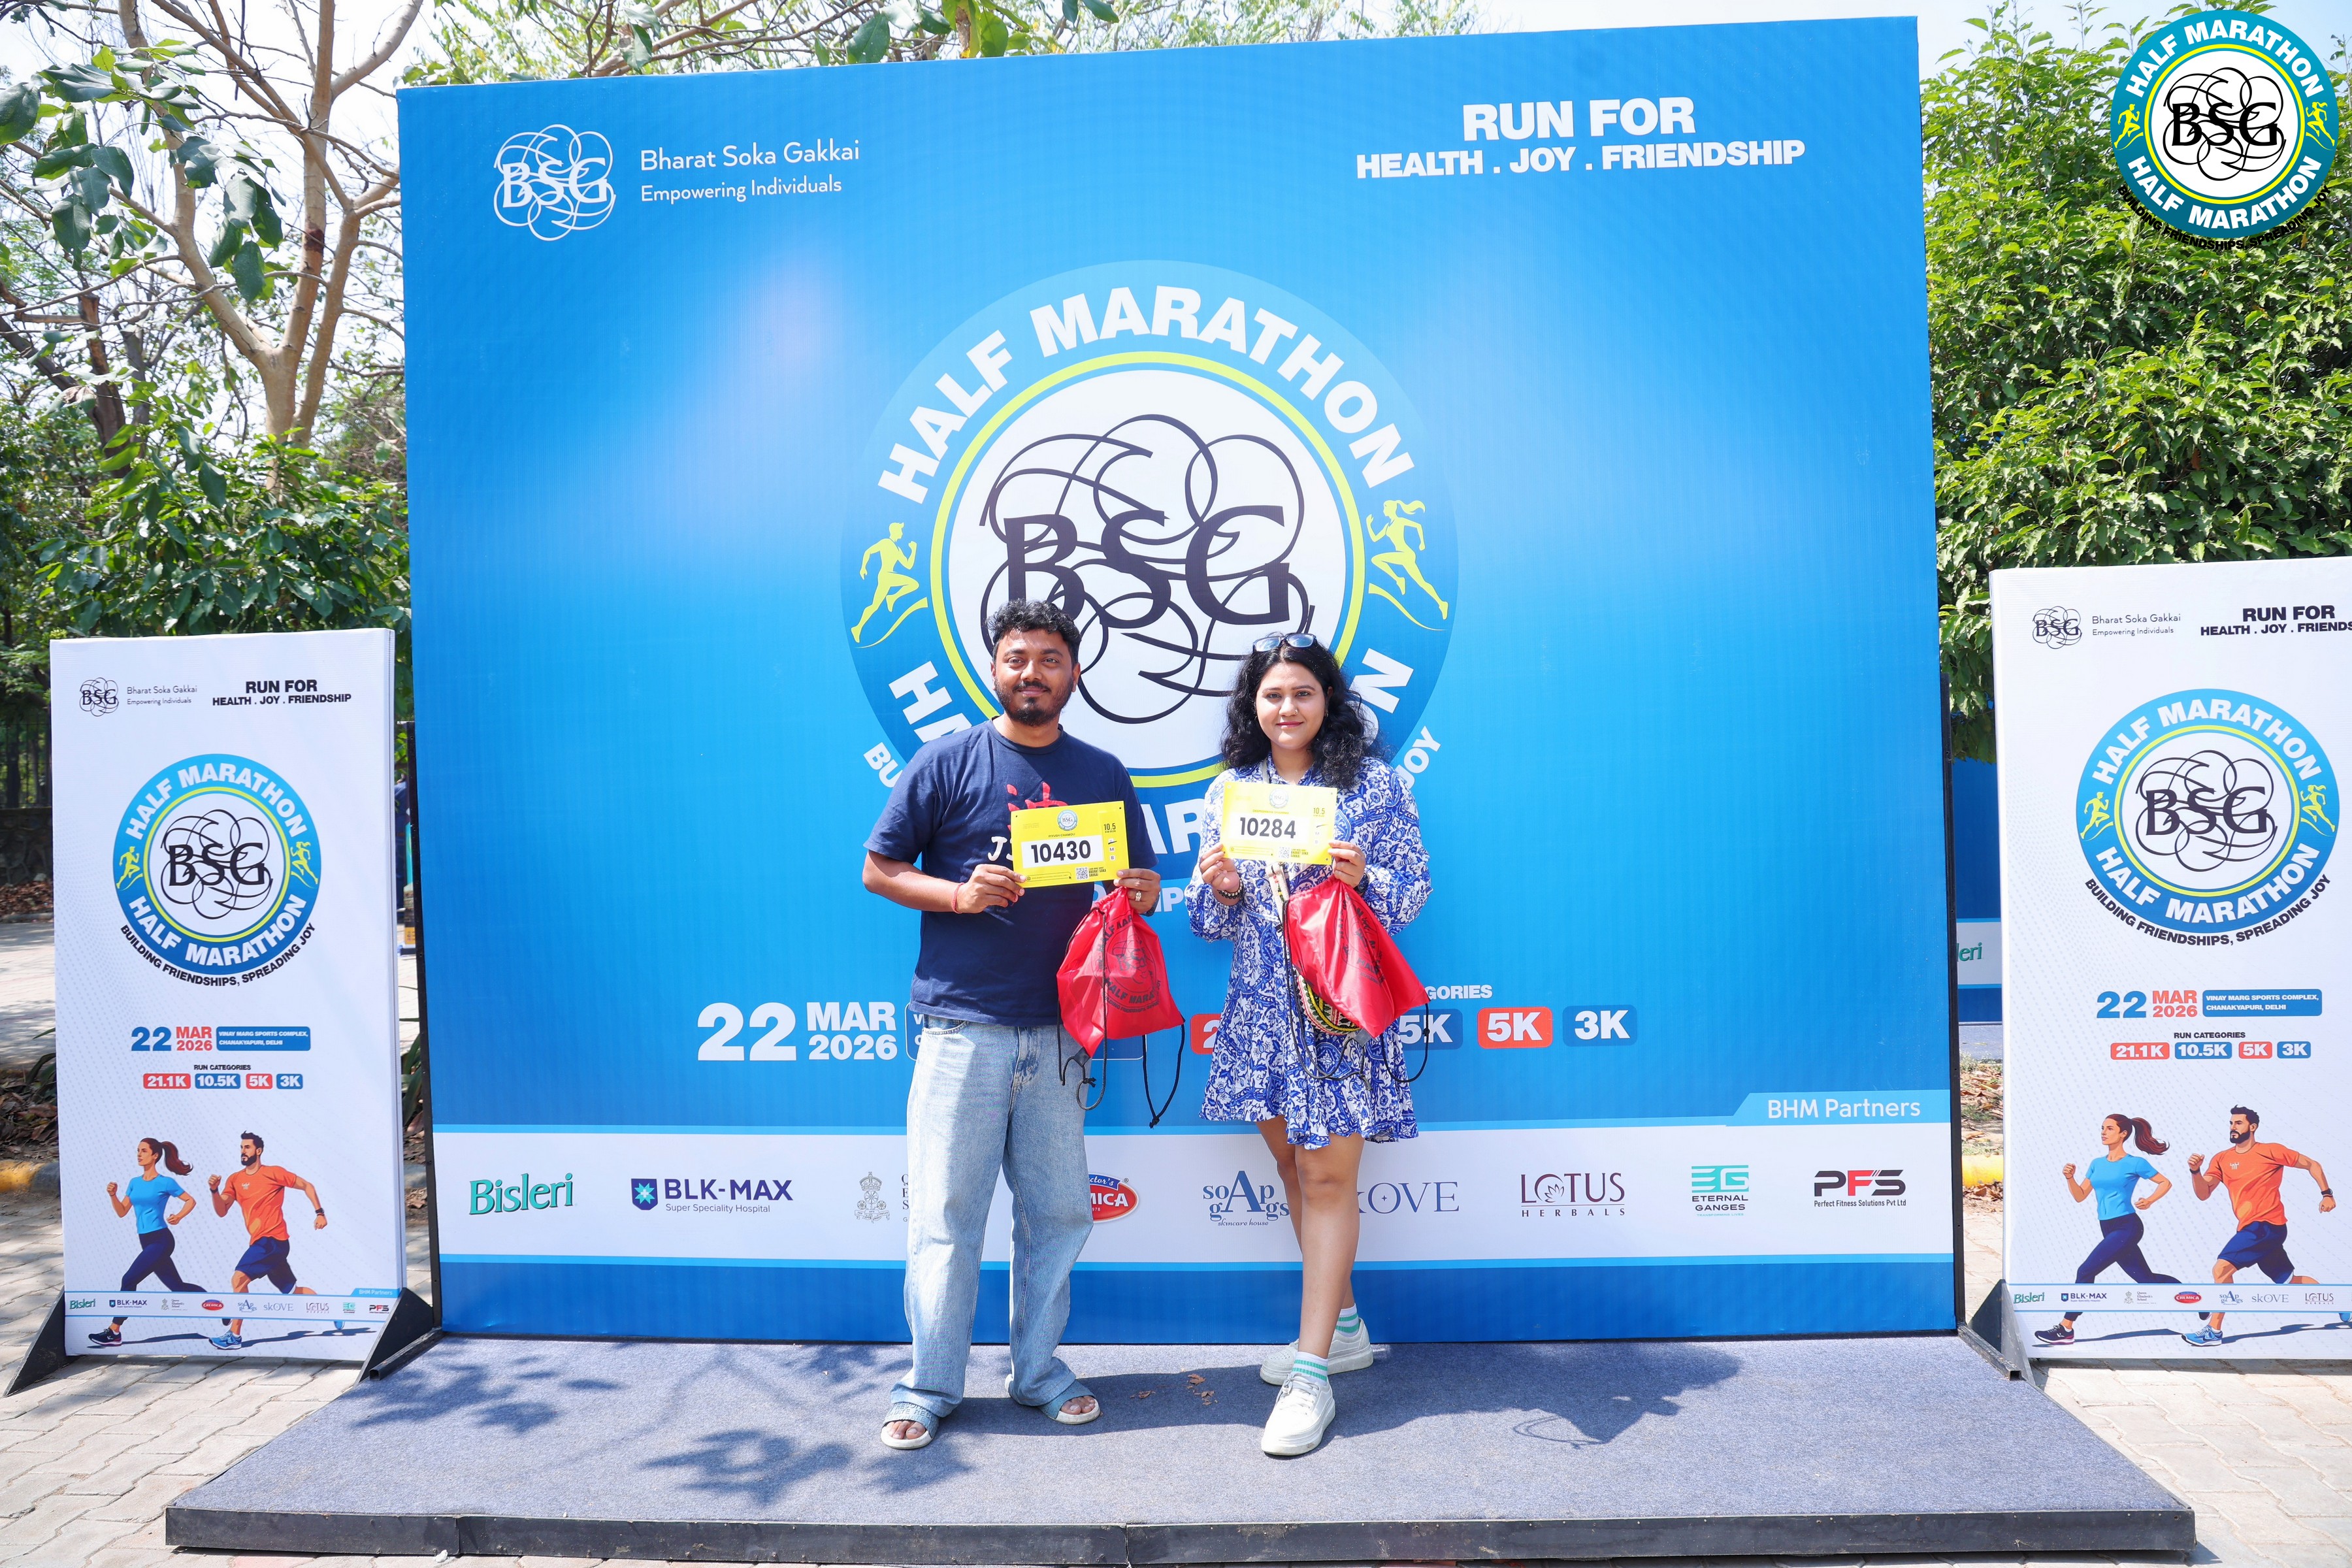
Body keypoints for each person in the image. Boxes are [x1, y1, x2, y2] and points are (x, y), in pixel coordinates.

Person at [862, 598, 1161, 1450]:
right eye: (1017, 658)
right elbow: (880, 869)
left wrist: (1142, 893)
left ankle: (1038, 1374)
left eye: (1049, 659)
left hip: (1063, 1032)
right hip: (962, 1027)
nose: (1032, 673)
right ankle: (928, 1385)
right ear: (994, 668)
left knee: (1058, 1214)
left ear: (1075, 672)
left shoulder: (1103, 772)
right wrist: (959, 895)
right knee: (946, 1216)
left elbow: (1135, 887)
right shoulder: (947, 760)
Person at [1190, 632, 1431, 1457]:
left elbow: (1413, 894)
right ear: (1251, 707)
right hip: (1262, 1011)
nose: (1286, 708)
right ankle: (1347, 1327)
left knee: (1327, 1178)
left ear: (1329, 701)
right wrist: (1222, 886)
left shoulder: (1371, 785)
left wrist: (1367, 878)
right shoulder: (1232, 791)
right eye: (1272, 695)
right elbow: (1206, 921)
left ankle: (1312, 1374)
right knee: (1296, 1170)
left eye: (1302, 692)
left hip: (1336, 1014)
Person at [2180, 1105, 2344, 1345]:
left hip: (2266, 1225)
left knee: (2221, 1269)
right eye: (2231, 1123)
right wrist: (2195, 1172)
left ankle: (2214, 1331)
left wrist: (2327, 1194)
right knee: (2289, 1281)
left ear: (2253, 1127)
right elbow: (2203, 1193)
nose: (2233, 1127)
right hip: (2253, 1228)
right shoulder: (2222, 1159)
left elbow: (2312, 1164)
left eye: (2239, 1123)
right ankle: (2342, 1303)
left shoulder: (2271, 1151)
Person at [2032, 1114, 2178, 1347]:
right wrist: (2070, 1178)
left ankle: (2066, 1328)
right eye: (2102, 1128)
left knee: (2086, 1271)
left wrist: (2150, 1200)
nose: (2103, 1132)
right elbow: (2080, 1196)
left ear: (2123, 1134)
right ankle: (2196, 1297)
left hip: (2127, 1226)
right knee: (2146, 1280)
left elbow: (2165, 1183)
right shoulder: (2096, 1164)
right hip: (2108, 1227)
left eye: (2110, 1128)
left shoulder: (2135, 1163)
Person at [206, 1132, 329, 1348]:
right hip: (263, 1244)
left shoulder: (273, 1173)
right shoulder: (235, 1179)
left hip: (273, 1240)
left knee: (238, 1280)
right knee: (292, 1291)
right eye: (241, 1148)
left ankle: (234, 1336)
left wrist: (320, 1213)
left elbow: (307, 1186)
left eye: (247, 1147)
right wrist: (214, 1191)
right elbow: (222, 1210)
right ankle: (331, 1310)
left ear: (259, 1151)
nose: (243, 1151)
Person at [88, 1137, 204, 1346]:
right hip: (146, 1240)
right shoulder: (134, 1183)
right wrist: (113, 1195)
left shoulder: (165, 1182)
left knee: (129, 1279)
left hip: (161, 1239)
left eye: (143, 1151)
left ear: (155, 1156)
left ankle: (114, 1331)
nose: (139, 1155)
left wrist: (179, 1216)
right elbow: (122, 1212)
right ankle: (218, 1303)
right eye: (138, 1151)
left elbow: (190, 1200)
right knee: (177, 1287)